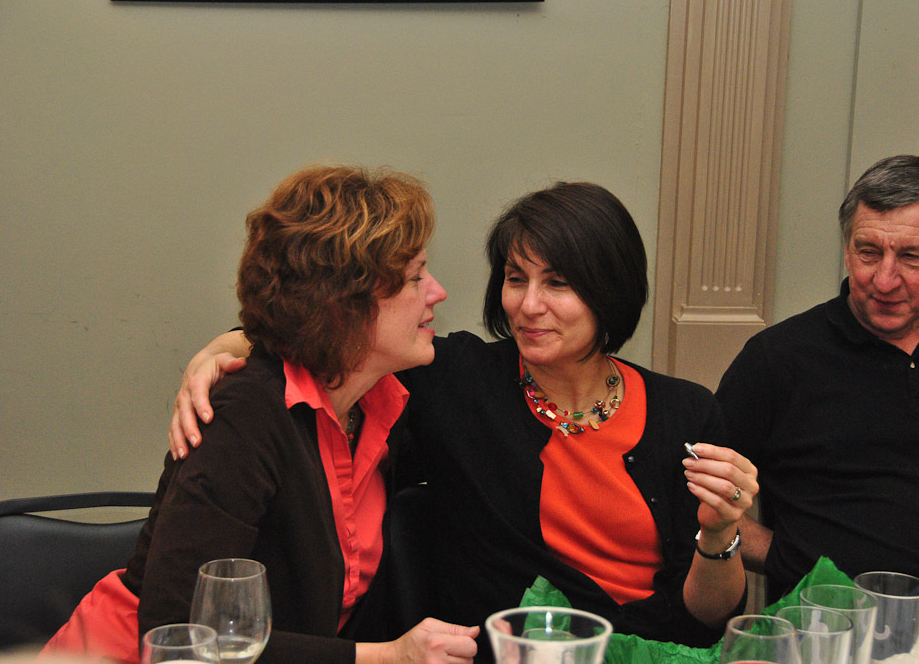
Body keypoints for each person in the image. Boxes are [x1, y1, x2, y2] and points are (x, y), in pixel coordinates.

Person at [169, 181, 759, 655]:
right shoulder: (455, 381)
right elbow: (325, 332)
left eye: (557, 284)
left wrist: (719, 533)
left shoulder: (686, 411)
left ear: (611, 290)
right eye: (515, 279)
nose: (528, 305)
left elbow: (708, 617)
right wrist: (219, 351)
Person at [43, 165, 479, 664]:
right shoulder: (247, 413)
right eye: (415, 278)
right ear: (345, 306)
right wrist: (389, 657)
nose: (437, 292)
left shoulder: (381, 401)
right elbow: (181, 628)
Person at [714, 155, 919, 662]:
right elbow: (698, 497)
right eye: (868, 252)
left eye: (912, 257)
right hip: (837, 618)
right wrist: (787, 557)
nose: (885, 279)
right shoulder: (779, 359)